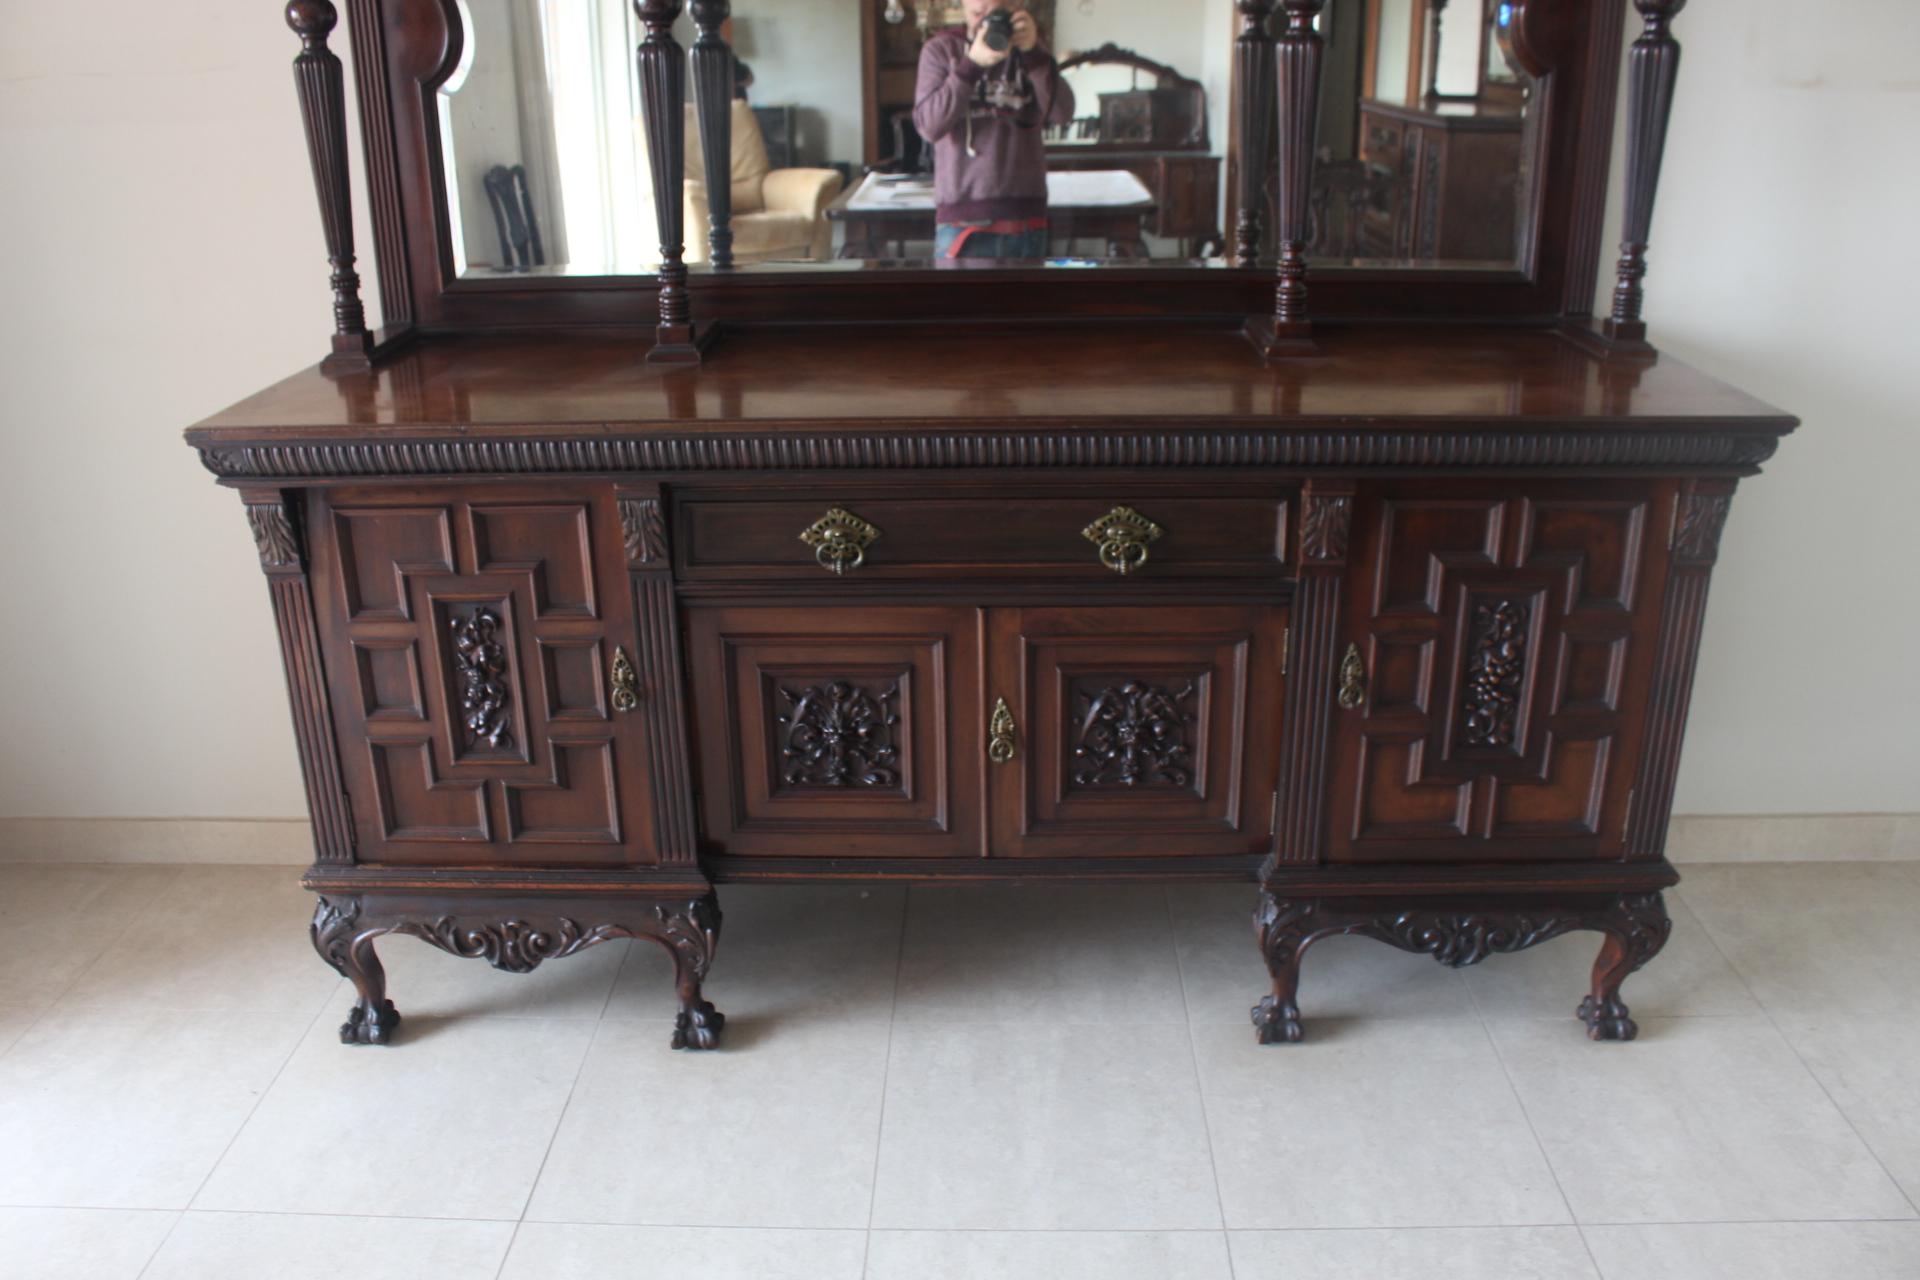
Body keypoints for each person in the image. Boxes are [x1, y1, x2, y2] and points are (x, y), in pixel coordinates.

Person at [912, 1, 1075, 260]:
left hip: (1026, 218)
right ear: (963, 5)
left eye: (996, 13)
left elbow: (1062, 114)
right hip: (962, 221)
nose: (986, 24)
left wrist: (1035, 54)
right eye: (978, 14)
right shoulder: (941, 51)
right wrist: (971, 66)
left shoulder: (1030, 50)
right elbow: (929, 126)